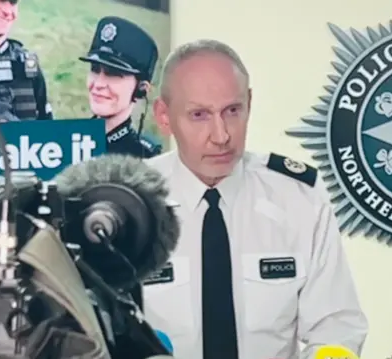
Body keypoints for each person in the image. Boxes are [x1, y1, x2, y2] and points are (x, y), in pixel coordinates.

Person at [143, 39, 368, 359]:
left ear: (249, 103)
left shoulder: (298, 199)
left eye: (232, 111)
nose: (221, 136)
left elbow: (336, 325)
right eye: (199, 115)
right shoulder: (131, 206)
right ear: (164, 116)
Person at [79, 16, 162, 159]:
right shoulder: (63, 142)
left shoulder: (146, 158)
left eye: (113, 74)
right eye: (95, 69)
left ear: (141, 88)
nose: (98, 84)